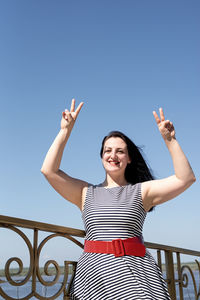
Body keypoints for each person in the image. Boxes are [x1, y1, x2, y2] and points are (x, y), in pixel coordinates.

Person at [41, 99, 196, 300]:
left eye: (120, 151)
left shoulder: (142, 191)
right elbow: (48, 170)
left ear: (129, 158)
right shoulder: (85, 192)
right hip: (93, 278)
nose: (113, 155)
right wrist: (65, 131)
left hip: (134, 276)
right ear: (101, 156)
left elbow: (186, 178)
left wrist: (170, 140)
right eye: (108, 150)